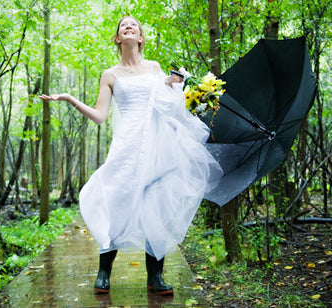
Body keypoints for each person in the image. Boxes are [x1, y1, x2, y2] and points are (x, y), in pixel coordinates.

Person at [39, 16, 223, 296]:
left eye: (134, 26)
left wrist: (178, 85)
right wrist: (69, 99)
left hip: (157, 144)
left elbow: (167, 104)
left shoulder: (154, 68)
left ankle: (156, 276)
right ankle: (104, 272)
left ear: (140, 38)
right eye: (123, 26)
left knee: (156, 206)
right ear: (117, 38)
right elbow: (100, 117)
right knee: (118, 201)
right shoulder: (109, 75)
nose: (128, 27)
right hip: (127, 145)